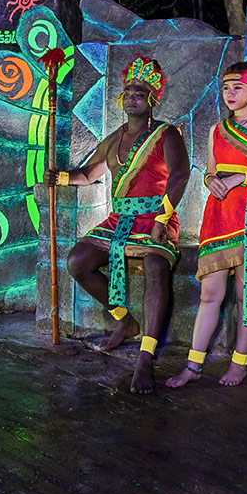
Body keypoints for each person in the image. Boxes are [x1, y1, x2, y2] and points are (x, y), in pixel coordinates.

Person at [56, 55, 190, 394]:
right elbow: (88, 174)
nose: (132, 97)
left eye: (140, 93)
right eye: (128, 92)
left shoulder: (166, 134)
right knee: (78, 261)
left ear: (152, 99)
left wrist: (163, 217)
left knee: (157, 265)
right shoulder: (114, 139)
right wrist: (57, 177)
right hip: (119, 219)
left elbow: (180, 175)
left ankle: (145, 358)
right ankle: (125, 321)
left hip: (156, 216)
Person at [168, 63, 247, 389]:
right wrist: (211, 180)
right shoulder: (216, 129)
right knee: (210, 293)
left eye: (238, 87)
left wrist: (242, 177)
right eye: (226, 88)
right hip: (219, 215)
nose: (231, 93)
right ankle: (193, 366)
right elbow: (210, 171)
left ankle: (240, 364)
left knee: (245, 293)